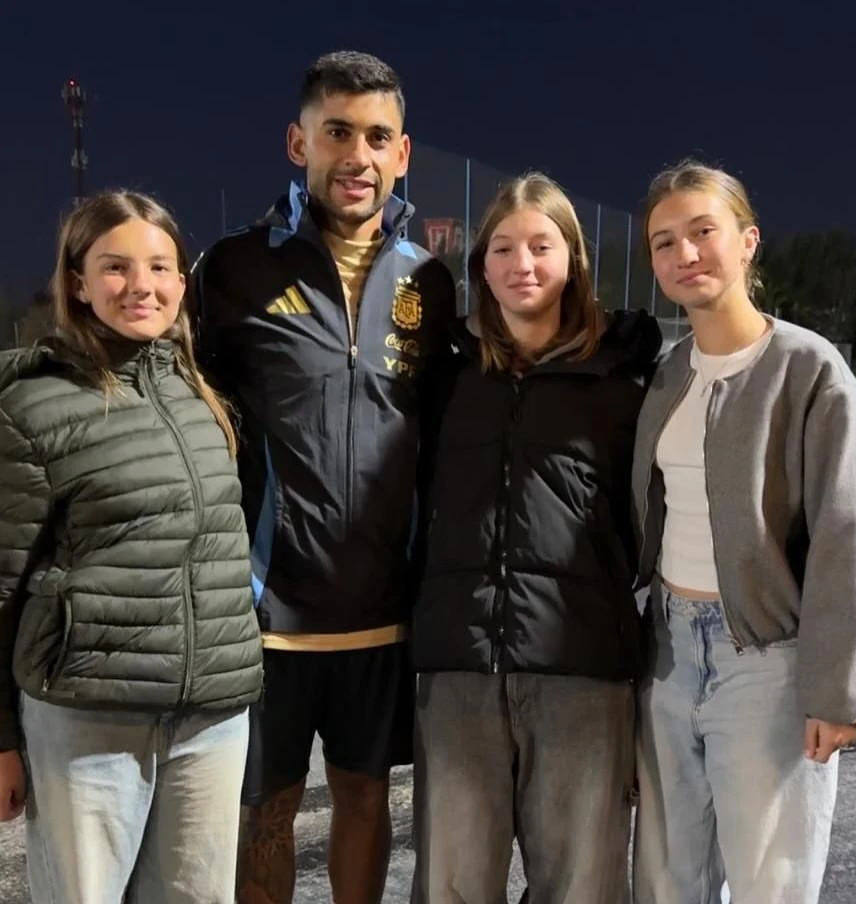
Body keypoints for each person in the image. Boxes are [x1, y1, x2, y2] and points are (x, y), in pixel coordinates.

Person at [193, 50, 456, 904]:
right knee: (265, 812)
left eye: (377, 136)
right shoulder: (233, 269)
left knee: (365, 798)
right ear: (296, 142)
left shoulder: (429, 280)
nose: (358, 155)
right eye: (336, 131)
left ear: (403, 152)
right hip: (263, 616)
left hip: (379, 613)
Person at [0, 190, 263, 904]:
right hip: (90, 713)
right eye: (115, 267)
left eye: (160, 266)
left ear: (182, 282)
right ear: (77, 281)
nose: (140, 286)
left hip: (208, 718)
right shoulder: (32, 405)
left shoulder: (198, 396)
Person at [409, 172, 661, 904]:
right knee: (453, 885)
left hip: (580, 669)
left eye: (541, 245)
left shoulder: (621, 380)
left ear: (572, 259)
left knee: (581, 884)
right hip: (457, 667)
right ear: (480, 265)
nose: (522, 264)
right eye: (503, 248)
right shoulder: (445, 379)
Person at [631, 159, 856, 904]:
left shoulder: (808, 369)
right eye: (664, 242)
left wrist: (836, 688)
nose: (684, 254)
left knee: (770, 882)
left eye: (703, 232)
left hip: (765, 663)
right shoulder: (669, 371)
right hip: (667, 656)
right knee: (670, 879)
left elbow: (844, 531)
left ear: (747, 242)